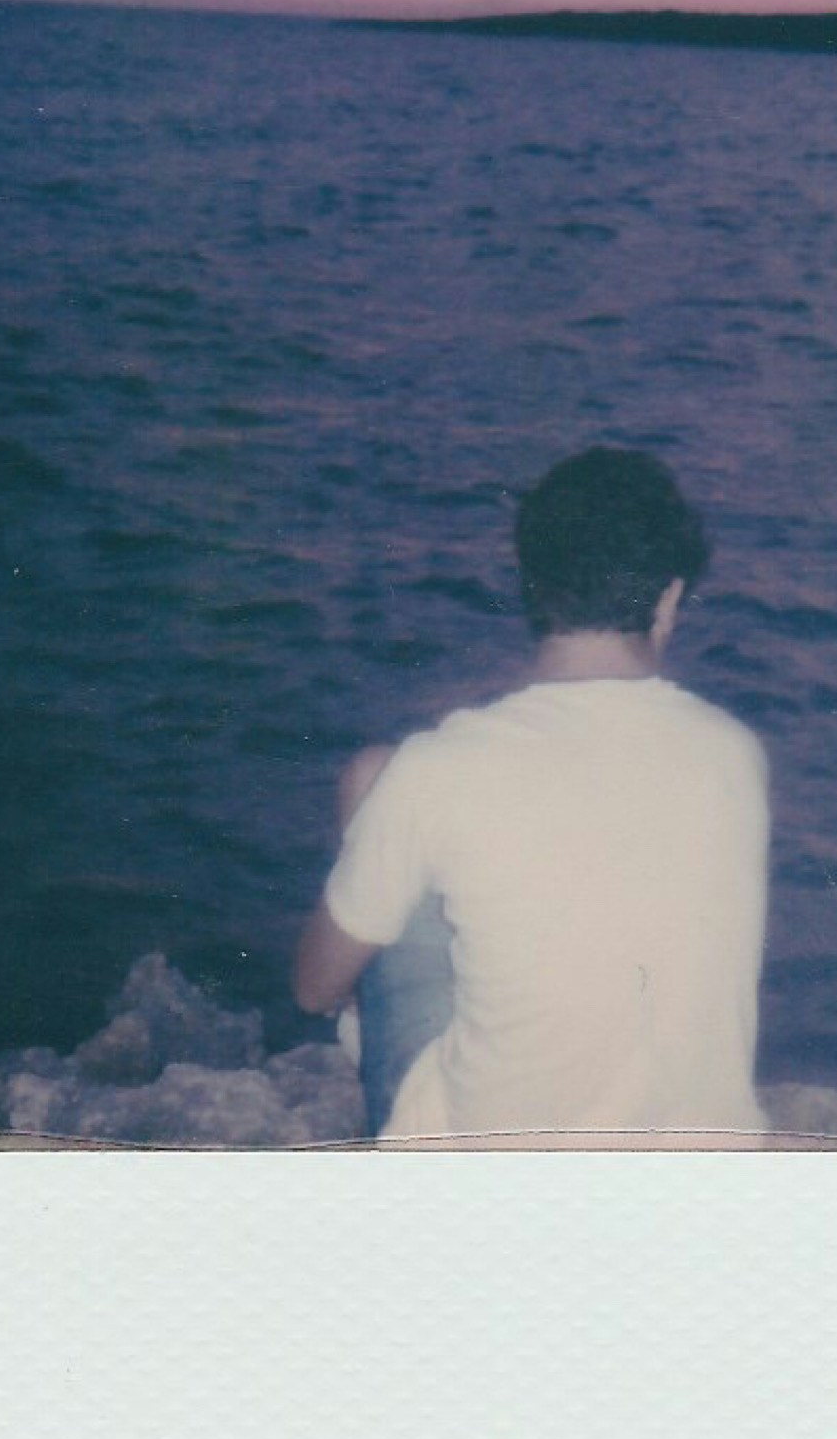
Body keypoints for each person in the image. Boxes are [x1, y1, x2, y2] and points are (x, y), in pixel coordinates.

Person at [293, 447, 771, 1148]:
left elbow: (311, 987)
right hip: (691, 1196)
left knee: (375, 781)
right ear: (668, 600)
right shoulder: (734, 753)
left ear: (531, 587)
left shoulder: (441, 768)